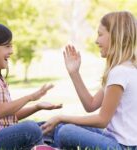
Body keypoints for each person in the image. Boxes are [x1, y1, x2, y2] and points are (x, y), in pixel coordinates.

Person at [41, 11, 137, 150]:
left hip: (121, 147)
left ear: (115, 36)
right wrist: (74, 72)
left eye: (100, 34)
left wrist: (61, 117)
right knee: (64, 127)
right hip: (117, 141)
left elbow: (102, 120)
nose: (96, 41)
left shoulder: (120, 72)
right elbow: (91, 105)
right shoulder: (128, 69)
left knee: (66, 131)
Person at [0, 22, 62, 150]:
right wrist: (30, 97)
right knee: (30, 128)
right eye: (7, 46)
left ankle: (43, 146)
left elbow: (9, 117)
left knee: (49, 126)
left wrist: (37, 107)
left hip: (6, 134)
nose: (11, 51)